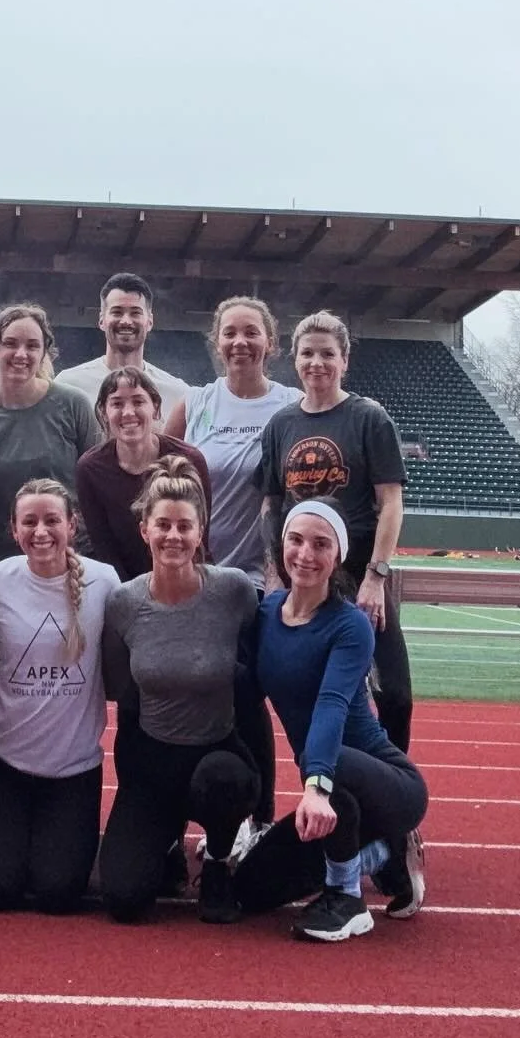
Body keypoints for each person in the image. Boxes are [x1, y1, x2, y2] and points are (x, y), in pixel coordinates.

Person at [233, 499, 428, 941]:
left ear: (338, 555)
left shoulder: (349, 625)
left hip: (387, 785)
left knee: (330, 762)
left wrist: (316, 785)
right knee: (247, 890)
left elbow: (331, 705)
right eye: (296, 540)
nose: (305, 554)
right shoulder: (265, 613)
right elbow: (245, 699)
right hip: (329, 783)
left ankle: (347, 897)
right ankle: (384, 854)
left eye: (321, 544)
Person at [98, 457, 260, 926]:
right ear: (143, 528)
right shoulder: (124, 602)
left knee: (223, 779)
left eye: (184, 526)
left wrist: (264, 793)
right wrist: (132, 781)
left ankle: (218, 863)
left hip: (217, 756)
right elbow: (124, 694)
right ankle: (166, 842)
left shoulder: (232, 592)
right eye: (163, 524)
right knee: (125, 899)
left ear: (201, 530)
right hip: (153, 763)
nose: (173, 536)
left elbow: (251, 685)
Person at [0, 480, 120, 914]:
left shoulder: (105, 583)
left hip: (72, 769)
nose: (41, 531)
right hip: (0, 761)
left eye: (52, 520)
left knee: (59, 894)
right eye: (29, 522)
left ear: (73, 524)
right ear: (13, 529)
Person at [260, 310, 412, 753]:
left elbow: (391, 503)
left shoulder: (369, 418)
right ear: (294, 359)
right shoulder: (282, 425)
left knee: (393, 694)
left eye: (328, 353)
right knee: (309, 691)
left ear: (344, 359)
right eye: (307, 353)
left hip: (359, 569)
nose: (317, 363)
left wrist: (376, 577)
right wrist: (274, 574)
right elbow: (270, 505)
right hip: (303, 573)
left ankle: (393, 791)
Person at [0, 304, 102, 568]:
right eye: (10, 343)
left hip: (76, 565)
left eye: (32, 346)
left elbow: (98, 488)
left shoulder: (74, 405)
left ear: (44, 352)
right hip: (7, 568)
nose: (21, 354)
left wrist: (96, 563)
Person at [167, 296, 301, 586]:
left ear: (271, 343)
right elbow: (160, 485)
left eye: (251, 332)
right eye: (230, 333)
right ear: (217, 343)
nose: (240, 341)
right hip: (196, 575)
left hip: (266, 581)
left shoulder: (293, 405)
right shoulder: (194, 404)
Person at [76, 367, 212, 582]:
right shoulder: (90, 469)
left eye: (138, 402)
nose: (128, 412)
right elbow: (103, 548)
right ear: (103, 411)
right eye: (117, 403)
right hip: (121, 586)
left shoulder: (190, 459)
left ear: (156, 409)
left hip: (186, 579)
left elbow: (199, 537)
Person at [54, 273, 188, 420]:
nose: (126, 321)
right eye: (117, 312)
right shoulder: (69, 386)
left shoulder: (177, 394)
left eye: (135, 313)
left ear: (150, 321)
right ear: (101, 320)